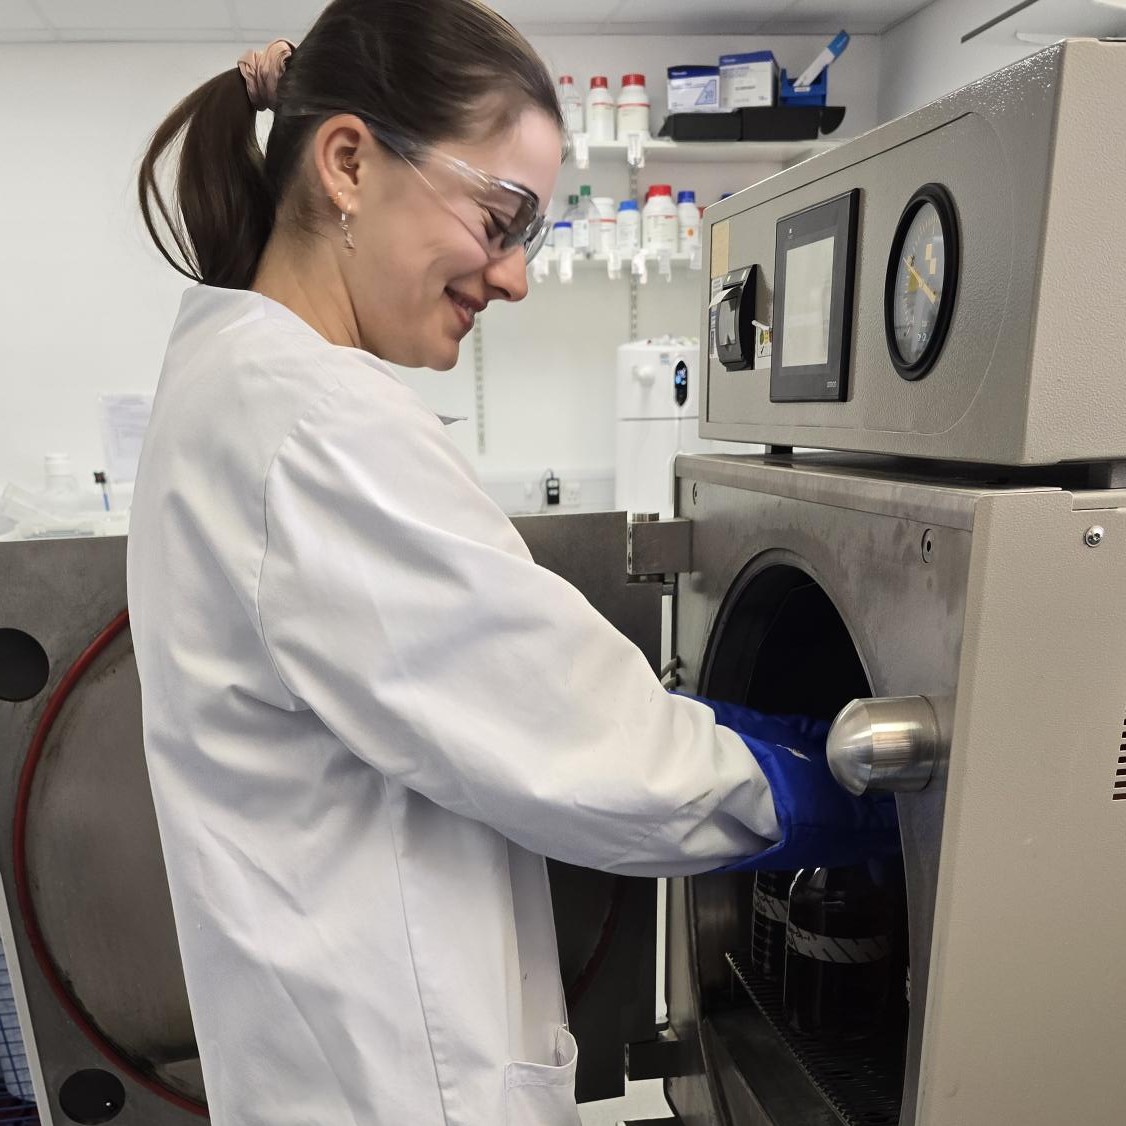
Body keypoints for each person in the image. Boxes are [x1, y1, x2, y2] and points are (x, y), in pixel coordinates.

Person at [128, 2, 892, 1123]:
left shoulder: (236, 383)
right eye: (501, 217)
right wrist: (843, 784)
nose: (514, 276)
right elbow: (589, 747)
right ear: (347, 162)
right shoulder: (311, 423)